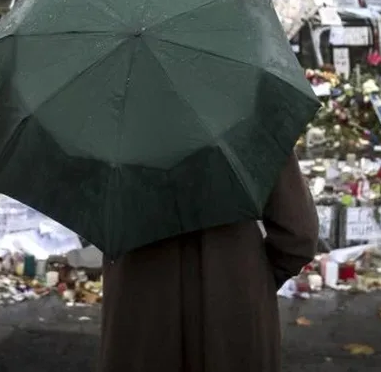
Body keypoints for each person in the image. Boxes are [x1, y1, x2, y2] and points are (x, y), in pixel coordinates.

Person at [99, 153, 318, 372]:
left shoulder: (107, 132)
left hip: (136, 303)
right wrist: (257, 279)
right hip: (234, 301)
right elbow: (298, 236)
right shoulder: (250, 126)